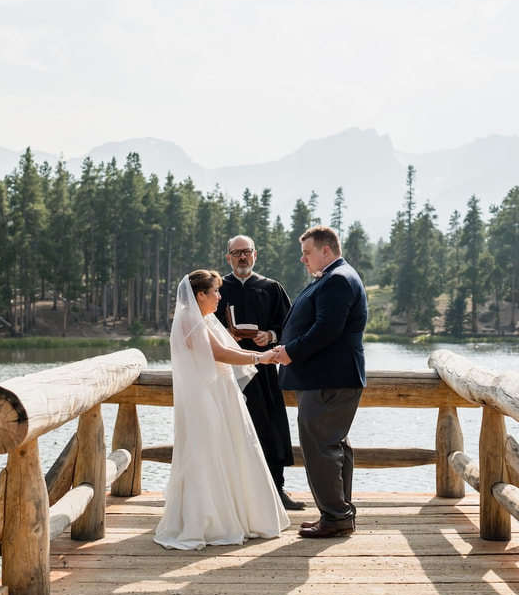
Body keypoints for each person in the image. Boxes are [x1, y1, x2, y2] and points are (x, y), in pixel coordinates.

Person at [154, 269, 291, 550]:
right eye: (215, 292)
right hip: (207, 397)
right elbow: (219, 354)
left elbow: (225, 351)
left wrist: (261, 356)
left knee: (226, 451)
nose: (219, 296)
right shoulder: (190, 320)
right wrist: (259, 357)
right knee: (207, 453)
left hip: (220, 393)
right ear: (200, 295)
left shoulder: (201, 318)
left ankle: (235, 514)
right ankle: (208, 520)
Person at [266, 225, 367, 538]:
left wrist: (289, 353)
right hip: (329, 377)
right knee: (334, 446)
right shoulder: (334, 277)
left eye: (307, 252)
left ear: (326, 250)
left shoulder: (337, 279)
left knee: (320, 448)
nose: (303, 259)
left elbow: (327, 329)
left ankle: (336, 516)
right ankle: (339, 513)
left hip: (327, 379)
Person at [214, 234, 305, 512]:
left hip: (263, 371)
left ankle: (276, 491)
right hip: (226, 373)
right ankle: (230, 496)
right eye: (236, 252)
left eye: (247, 252)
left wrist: (271, 335)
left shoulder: (271, 288)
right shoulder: (218, 288)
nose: (242, 257)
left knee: (270, 429)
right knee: (228, 431)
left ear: (256, 255)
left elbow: (291, 327)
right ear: (228, 257)